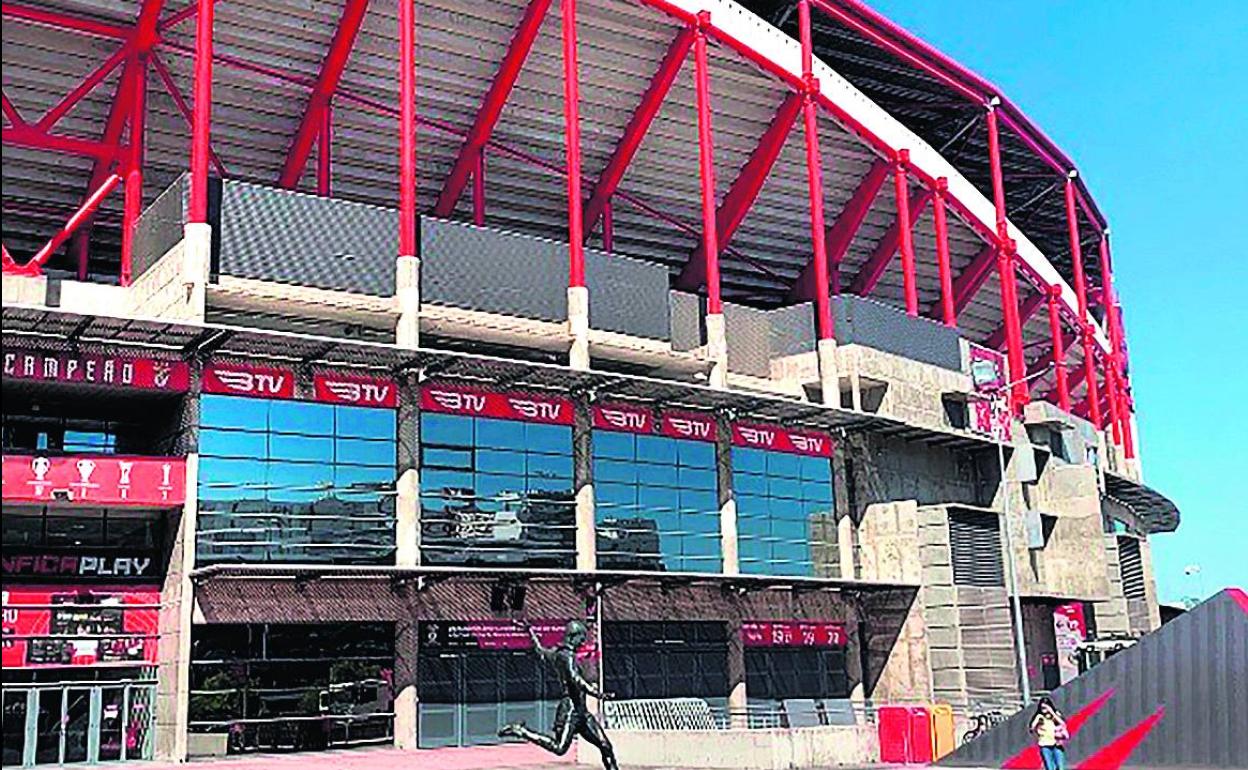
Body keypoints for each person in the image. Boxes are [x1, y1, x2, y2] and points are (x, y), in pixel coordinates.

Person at [498, 620, 619, 770]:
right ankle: (522, 731)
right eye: (581, 637)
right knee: (559, 748)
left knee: (605, 745)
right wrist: (596, 693)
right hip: (570, 711)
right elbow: (575, 678)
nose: (583, 641)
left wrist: (530, 631)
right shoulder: (565, 656)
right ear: (572, 636)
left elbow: (540, 651)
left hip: (582, 712)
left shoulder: (559, 654)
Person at [1029, 696, 1069, 770]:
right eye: (1042, 708)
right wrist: (1036, 725)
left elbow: (1063, 723)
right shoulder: (1039, 716)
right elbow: (1032, 727)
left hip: (1056, 744)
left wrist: (1052, 712)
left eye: (1045, 707)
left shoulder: (1056, 714)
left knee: (1060, 767)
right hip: (1045, 744)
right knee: (1050, 767)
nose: (1044, 709)